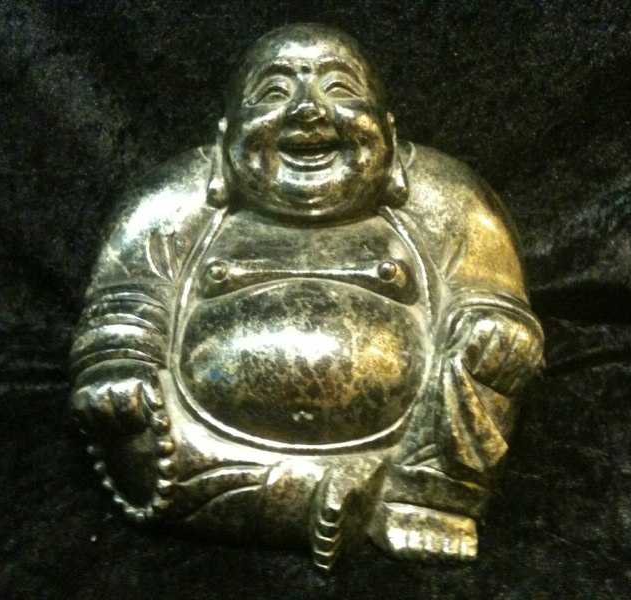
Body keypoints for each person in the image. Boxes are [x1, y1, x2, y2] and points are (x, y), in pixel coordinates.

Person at [70, 23, 543, 570]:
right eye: (274, 92)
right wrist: (118, 367)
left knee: (490, 358)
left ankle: (420, 489)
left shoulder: (447, 195)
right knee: (137, 444)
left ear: (388, 130)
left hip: (416, 444)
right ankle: (342, 500)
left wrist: (496, 326)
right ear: (226, 135)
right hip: (204, 446)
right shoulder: (171, 201)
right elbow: (126, 303)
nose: (307, 111)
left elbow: (489, 291)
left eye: (338, 88)